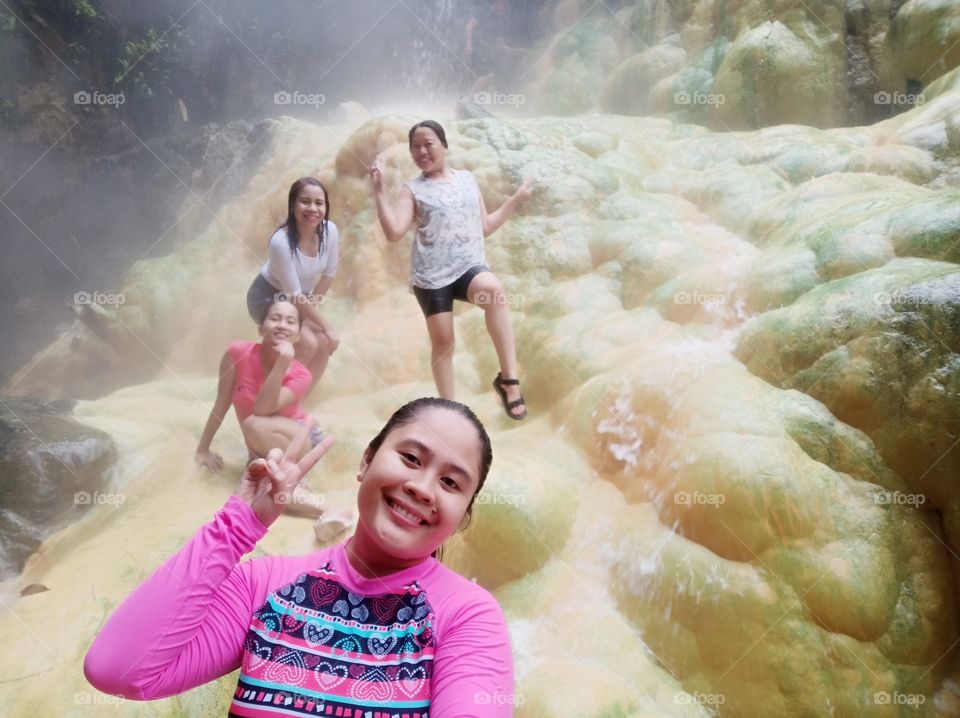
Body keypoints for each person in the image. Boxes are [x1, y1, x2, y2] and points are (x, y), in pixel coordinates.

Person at [85, 398, 515, 716]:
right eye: (410, 458)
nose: (422, 487)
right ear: (366, 461)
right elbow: (118, 670)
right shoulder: (265, 584)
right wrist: (237, 526)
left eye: (451, 483)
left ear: (462, 517)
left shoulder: (467, 616)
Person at [371, 120, 532, 420]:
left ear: (444, 146)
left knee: (494, 292)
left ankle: (509, 381)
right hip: (431, 277)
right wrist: (379, 191)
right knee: (444, 342)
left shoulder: (468, 180)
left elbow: (483, 226)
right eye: (415, 147)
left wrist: (516, 199)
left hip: (467, 267)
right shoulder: (413, 190)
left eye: (428, 144)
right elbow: (393, 232)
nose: (421, 151)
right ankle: (451, 410)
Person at [194, 298, 333, 520]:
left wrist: (283, 362)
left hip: (297, 437)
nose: (281, 325)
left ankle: (298, 478)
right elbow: (221, 402)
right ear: (260, 329)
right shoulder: (236, 353)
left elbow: (261, 409)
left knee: (254, 424)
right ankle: (329, 510)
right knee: (261, 493)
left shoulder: (300, 375)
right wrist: (203, 449)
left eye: (290, 321)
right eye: (275, 318)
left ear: (297, 335)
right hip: (259, 441)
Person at [246, 177, 340, 391]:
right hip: (269, 296)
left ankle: (296, 401)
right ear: (292, 205)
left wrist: (309, 315)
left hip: (300, 301)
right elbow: (294, 295)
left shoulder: (330, 231)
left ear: (326, 206)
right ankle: (269, 398)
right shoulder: (280, 242)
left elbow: (329, 275)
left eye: (319, 203)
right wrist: (326, 325)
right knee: (308, 343)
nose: (312, 208)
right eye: (305, 201)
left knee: (324, 343)